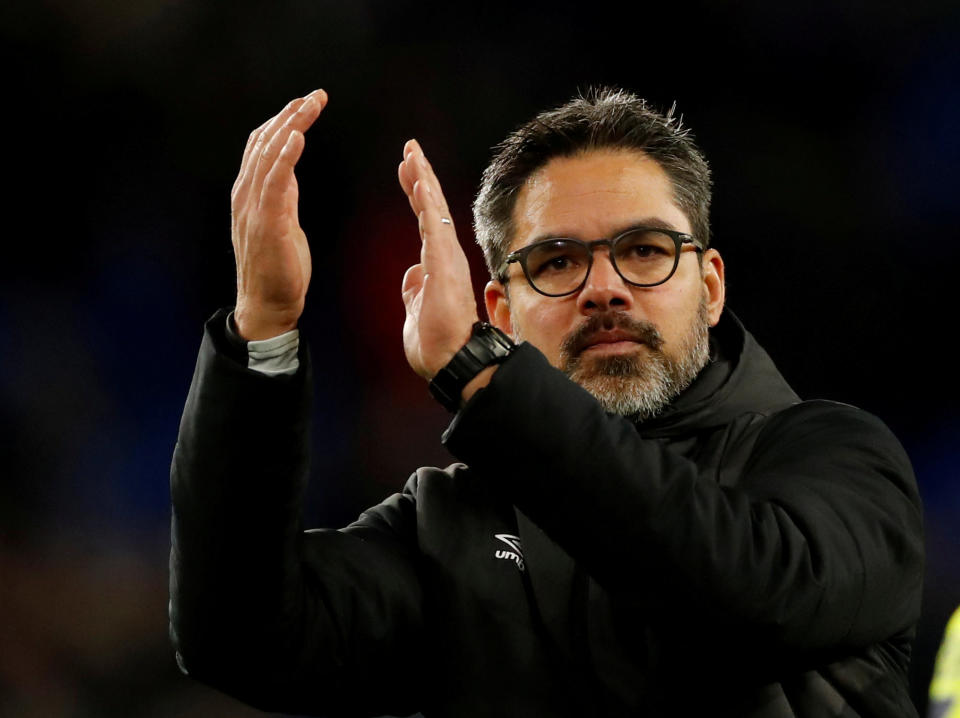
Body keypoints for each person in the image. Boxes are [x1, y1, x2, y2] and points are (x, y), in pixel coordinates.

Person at [169, 86, 924, 717]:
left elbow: (744, 592)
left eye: (645, 251)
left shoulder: (836, 460)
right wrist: (262, 329)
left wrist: (480, 379)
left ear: (712, 286)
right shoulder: (452, 529)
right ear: (500, 312)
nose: (605, 288)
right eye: (557, 261)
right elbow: (239, 638)